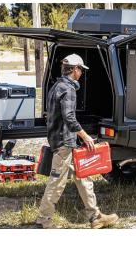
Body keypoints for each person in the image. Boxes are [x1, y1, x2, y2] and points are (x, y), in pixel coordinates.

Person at [36, 54, 119, 229]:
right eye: (81, 69)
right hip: (64, 144)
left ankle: (95, 216)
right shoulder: (69, 89)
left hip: (65, 142)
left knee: (84, 178)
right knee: (56, 183)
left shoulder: (56, 86)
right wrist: (85, 136)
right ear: (74, 69)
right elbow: (69, 118)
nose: (81, 73)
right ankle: (44, 221)